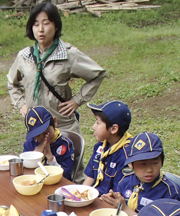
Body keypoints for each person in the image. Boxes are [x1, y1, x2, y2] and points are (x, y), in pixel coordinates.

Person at [7, 2, 106, 136]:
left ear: (56, 25)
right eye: (36, 24)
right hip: (36, 128)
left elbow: (97, 74)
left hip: (64, 126)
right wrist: (21, 104)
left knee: (66, 156)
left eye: (46, 23)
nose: (40, 29)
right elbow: (12, 83)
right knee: (38, 157)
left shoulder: (68, 54)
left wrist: (77, 100)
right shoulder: (25, 56)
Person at [101, 132, 180, 215]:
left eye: (155, 163)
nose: (149, 170)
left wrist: (125, 208)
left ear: (161, 162)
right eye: (143, 164)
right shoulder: (125, 181)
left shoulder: (169, 192)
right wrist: (112, 200)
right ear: (131, 165)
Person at [82, 101, 133, 195]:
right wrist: (80, 195)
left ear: (113, 129)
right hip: (93, 197)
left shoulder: (127, 155)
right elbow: (90, 177)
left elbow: (118, 193)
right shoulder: (99, 147)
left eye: (98, 123)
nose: (94, 127)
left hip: (109, 203)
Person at [23, 106, 74, 180]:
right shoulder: (30, 143)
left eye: (46, 132)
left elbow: (66, 176)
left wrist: (50, 158)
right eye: (38, 135)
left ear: (55, 122)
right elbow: (24, 170)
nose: (44, 138)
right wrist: (36, 154)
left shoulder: (65, 144)